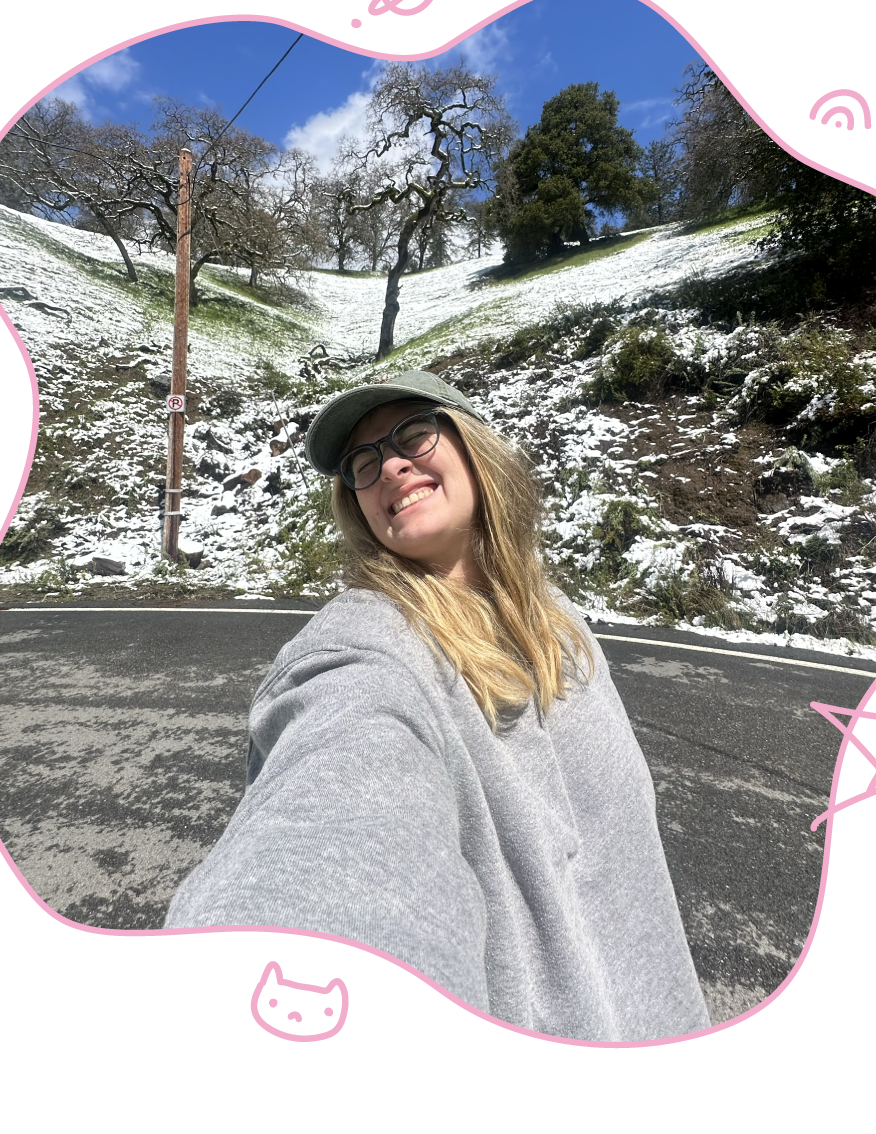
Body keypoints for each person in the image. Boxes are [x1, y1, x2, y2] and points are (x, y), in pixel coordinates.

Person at [164, 369, 710, 1041]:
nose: (389, 464)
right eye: (361, 462)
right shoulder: (364, 651)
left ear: (474, 447)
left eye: (412, 434)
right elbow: (331, 827)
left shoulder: (556, 621)